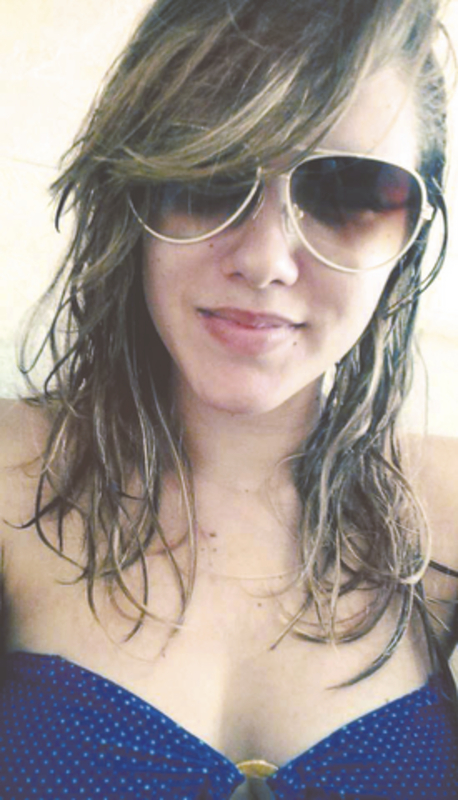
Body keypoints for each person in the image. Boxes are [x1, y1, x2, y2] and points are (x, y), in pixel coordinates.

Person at [0, 0, 457, 797]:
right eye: (211, 176)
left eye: (349, 194)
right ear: (131, 189)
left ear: (410, 235)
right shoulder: (9, 481)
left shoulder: (446, 515)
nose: (266, 258)